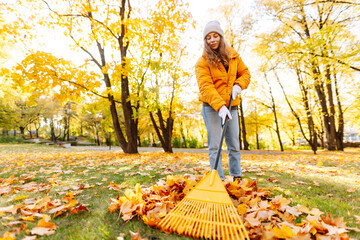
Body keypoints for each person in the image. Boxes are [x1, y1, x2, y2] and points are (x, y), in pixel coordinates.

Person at [195, 20, 251, 181]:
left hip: (232, 106)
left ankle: (236, 177)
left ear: (221, 36)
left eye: (215, 36)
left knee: (234, 144)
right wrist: (220, 107)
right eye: (208, 37)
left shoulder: (233, 55)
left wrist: (239, 86)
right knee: (215, 146)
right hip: (211, 107)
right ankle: (218, 180)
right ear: (205, 41)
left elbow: (245, 73)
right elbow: (206, 87)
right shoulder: (202, 62)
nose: (212, 40)